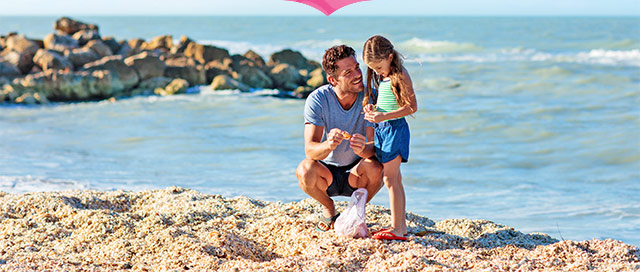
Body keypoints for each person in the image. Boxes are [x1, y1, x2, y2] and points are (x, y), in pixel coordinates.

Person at [296, 45, 383, 232]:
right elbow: (310, 150)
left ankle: (353, 211)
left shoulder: (371, 96)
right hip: (326, 174)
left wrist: (363, 149)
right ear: (333, 80)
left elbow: (373, 149)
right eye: (348, 72)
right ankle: (329, 209)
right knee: (304, 170)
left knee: (377, 167)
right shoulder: (318, 100)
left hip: (357, 172)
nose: (358, 74)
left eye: (357, 67)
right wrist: (329, 144)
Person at [362, 35, 418, 241]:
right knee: (396, 179)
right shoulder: (385, 78)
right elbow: (389, 104)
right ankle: (401, 228)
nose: (377, 71)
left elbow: (412, 107)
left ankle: (396, 228)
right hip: (382, 129)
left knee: (389, 179)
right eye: (373, 69)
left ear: (390, 56)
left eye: (378, 66)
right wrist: (374, 108)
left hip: (395, 130)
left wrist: (384, 116)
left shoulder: (401, 74)